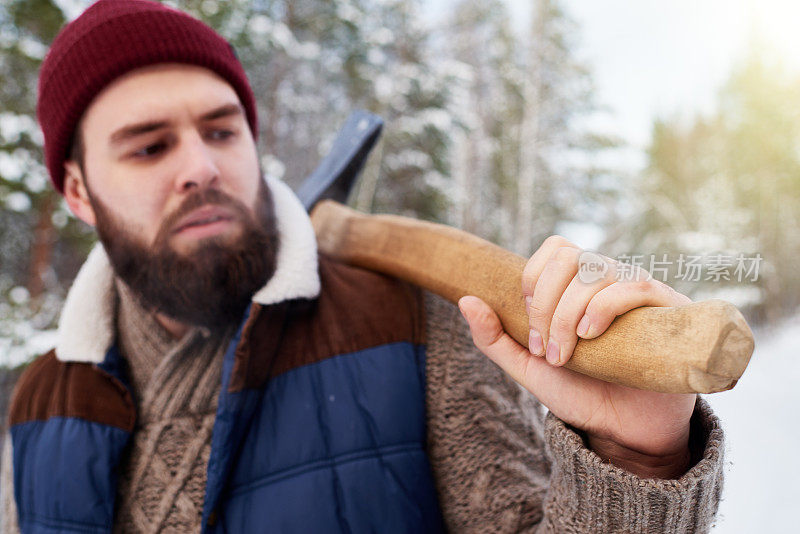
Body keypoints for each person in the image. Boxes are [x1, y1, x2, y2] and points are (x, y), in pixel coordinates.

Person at [0, 1, 725, 532]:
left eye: (222, 130)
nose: (201, 167)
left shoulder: (413, 326)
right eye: (149, 146)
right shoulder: (42, 401)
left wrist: (639, 459)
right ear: (76, 191)